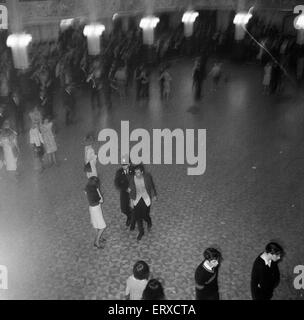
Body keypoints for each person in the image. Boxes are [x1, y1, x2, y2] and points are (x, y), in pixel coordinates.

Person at [129, 164, 157, 241]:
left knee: (145, 215)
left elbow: (151, 186)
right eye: (135, 172)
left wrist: (154, 195)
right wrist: (131, 201)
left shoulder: (147, 177)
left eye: (138, 172)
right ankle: (141, 232)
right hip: (137, 199)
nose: (137, 174)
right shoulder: (132, 179)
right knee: (138, 216)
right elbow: (131, 190)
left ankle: (149, 221)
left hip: (146, 198)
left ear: (142, 172)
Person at [84, 176, 106, 249]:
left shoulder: (87, 187)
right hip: (96, 209)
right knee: (103, 226)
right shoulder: (95, 191)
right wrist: (98, 190)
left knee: (96, 224)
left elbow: (85, 192)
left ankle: (99, 237)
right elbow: (101, 200)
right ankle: (96, 242)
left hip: (91, 208)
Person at [114, 154, 134, 226]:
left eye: (125, 164)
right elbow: (116, 184)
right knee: (123, 208)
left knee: (136, 206)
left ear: (129, 163)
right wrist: (125, 189)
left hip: (134, 192)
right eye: (122, 165)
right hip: (124, 192)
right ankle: (129, 215)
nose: (123, 166)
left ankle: (133, 217)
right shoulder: (119, 172)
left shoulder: (134, 170)